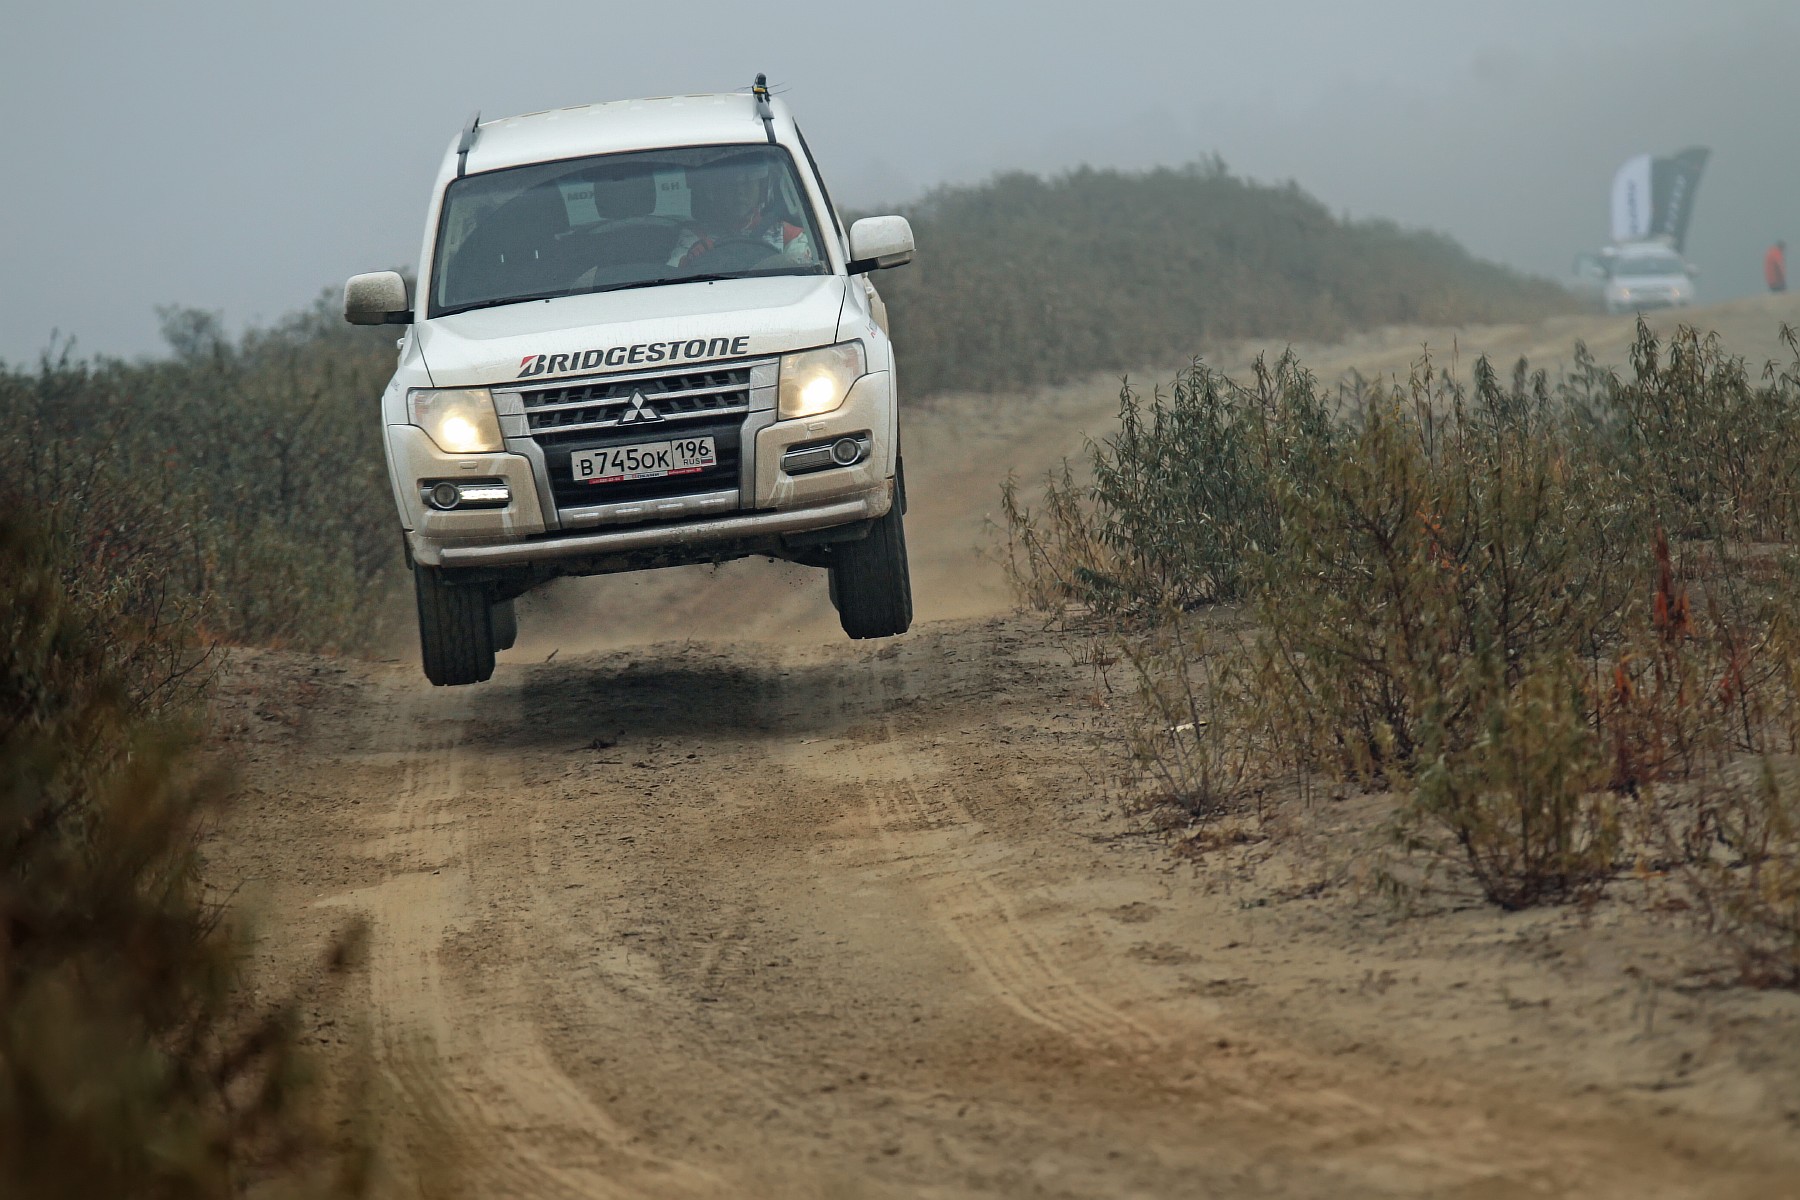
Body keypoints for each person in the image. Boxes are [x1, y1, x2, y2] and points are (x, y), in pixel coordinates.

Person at [669, 155, 815, 270]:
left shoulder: (788, 235)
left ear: (762, 188)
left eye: (747, 183)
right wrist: (690, 261)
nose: (739, 191)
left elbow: (807, 273)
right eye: (730, 185)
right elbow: (673, 273)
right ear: (715, 191)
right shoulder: (694, 236)